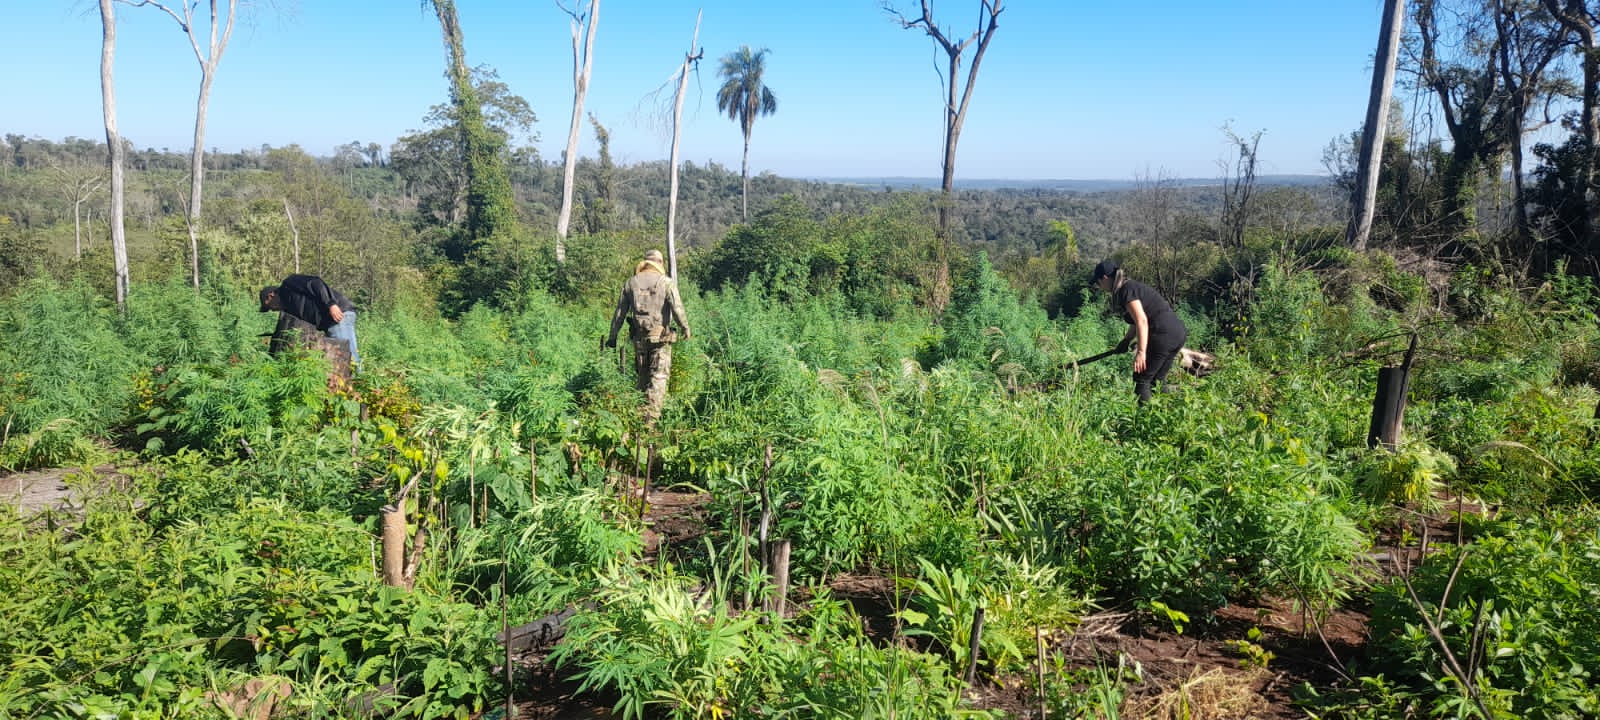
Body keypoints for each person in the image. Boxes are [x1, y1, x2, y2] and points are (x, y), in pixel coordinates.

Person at [606, 250, 691, 421]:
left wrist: (612, 337)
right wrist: (685, 328)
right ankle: (650, 420)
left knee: (642, 377)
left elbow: (619, 314)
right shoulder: (666, 283)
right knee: (659, 377)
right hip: (660, 339)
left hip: (639, 339)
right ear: (660, 262)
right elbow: (678, 308)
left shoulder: (630, 283)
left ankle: (637, 417)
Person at [1092, 260, 1186, 404]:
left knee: (1141, 380)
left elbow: (1142, 320)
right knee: (1157, 381)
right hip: (1176, 333)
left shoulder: (1126, 290)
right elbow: (1137, 322)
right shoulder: (1131, 287)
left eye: (1098, 283)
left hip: (1162, 335)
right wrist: (1125, 341)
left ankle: (1144, 419)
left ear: (1105, 278)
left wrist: (1141, 352)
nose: (1099, 287)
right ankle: (1184, 399)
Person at [259, 274, 361, 370]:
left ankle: (359, 382)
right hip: (330, 322)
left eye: (269, 306)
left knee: (346, 356)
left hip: (337, 315)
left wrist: (331, 304)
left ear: (271, 295)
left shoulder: (288, 284)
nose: (272, 310)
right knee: (337, 358)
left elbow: (316, 283)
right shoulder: (289, 307)